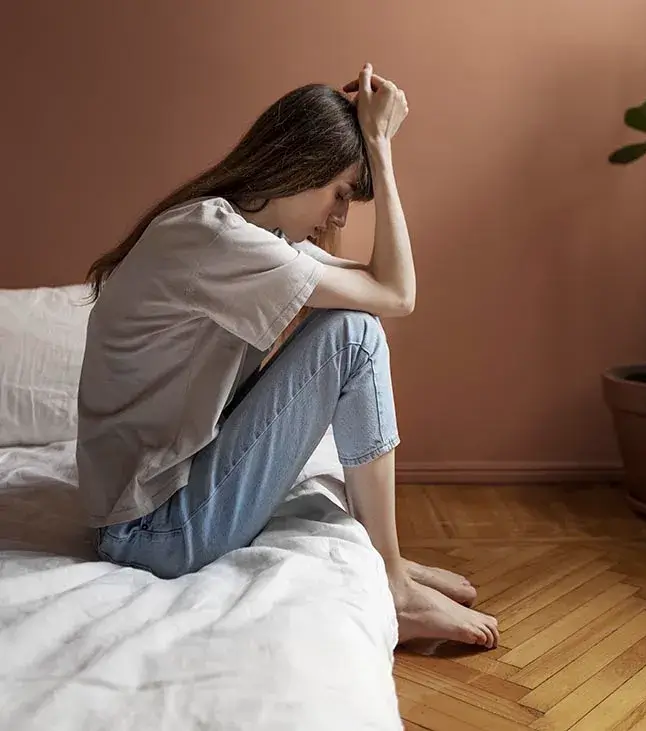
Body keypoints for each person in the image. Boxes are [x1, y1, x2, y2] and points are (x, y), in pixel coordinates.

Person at [76, 62, 499, 649]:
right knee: (352, 333)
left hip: (154, 513)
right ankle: (392, 581)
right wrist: (377, 143)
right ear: (300, 166)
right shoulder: (215, 240)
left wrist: (373, 150)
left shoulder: (242, 237)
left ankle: (389, 563)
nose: (340, 217)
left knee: (352, 320)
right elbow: (396, 295)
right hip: (153, 531)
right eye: (342, 193)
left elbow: (386, 281)